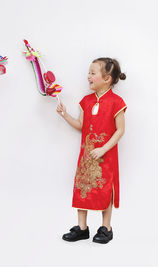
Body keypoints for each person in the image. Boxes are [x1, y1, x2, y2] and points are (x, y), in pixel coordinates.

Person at [57, 57, 127, 244]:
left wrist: (104, 148)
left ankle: (106, 228)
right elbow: (81, 125)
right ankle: (82, 228)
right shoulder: (86, 101)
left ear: (107, 78)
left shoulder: (116, 102)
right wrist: (65, 115)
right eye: (88, 72)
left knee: (105, 189)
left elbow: (120, 130)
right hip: (87, 155)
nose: (88, 76)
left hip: (107, 156)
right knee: (83, 188)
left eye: (93, 73)